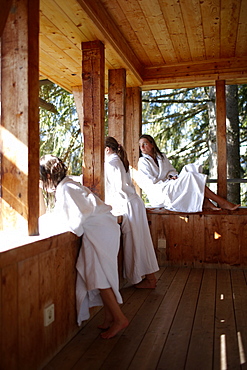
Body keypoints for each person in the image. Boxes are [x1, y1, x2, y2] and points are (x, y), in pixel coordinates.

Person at [39, 154, 128, 339]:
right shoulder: (67, 187)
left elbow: (75, 223)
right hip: (101, 231)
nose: (40, 185)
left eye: (40, 180)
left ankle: (119, 319)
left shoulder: (67, 189)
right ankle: (111, 317)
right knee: (98, 275)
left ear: (48, 176)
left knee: (100, 277)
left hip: (101, 233)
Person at [104, 137, 159, 289]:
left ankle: (147, 280)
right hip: (134, 204)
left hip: (128, 205)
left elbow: (114, 189)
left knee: (136, 244)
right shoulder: (118, 160)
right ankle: (150, 279)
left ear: (107, 149)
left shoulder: (111, 163)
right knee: (142, 243)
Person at [138, 134, 240, 212]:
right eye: (140, 145)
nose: (142, 147)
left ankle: (207, 202)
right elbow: (149, 183)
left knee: (191, 170)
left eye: (145, 144)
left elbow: (171, 171)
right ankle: (220, 202)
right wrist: (168, 182)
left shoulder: (162, 157)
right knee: (190, 177)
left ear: (152, 144)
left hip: (169, 184)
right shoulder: (143, 162)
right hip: (159, 192)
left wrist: (172, 177)